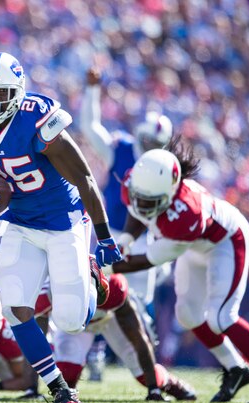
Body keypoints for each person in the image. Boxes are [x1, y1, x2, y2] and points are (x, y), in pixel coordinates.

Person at [0, 51, 122, 403]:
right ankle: (63, 394)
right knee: (14, 308)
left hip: (64, 222)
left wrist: (104, 238)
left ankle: (91, 277)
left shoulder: (38, 120)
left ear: (18, 92)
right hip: (21, 223)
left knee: (71, 321)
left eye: (1, 93)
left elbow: (86, 178)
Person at [105, 141, 249, 403]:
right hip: (195, 246)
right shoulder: (143, 183)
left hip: (225, 241)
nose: (141, 203)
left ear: (170, 192)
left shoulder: (185, 215)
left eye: (150, 201)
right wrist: (125, 239)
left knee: (221, 317)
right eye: (139, 196)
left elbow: (149, 259)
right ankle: (236, 369)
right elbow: (138, 210)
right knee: (188, 314)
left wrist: (108, 265)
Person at [79, 68, 174, 381]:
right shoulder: (121, 150)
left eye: (155, 143)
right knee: (98, 291)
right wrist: (92, 90)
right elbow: (90, 127)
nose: (149, 147)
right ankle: (94, 350)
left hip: (145, 238)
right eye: (147, 140)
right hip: (112, 234)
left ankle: (145, 361)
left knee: (139, 301)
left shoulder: (164, 165)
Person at [53, 271, 196, 402]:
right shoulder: (57, 286)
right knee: (67, 373)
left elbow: (139, 339)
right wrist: (31, 387)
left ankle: (170, 383)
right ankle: (59, 395)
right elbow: (35, 326)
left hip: (110, 316)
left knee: (143, 373)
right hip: (73, 321)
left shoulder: (114, 289)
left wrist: (153, 389)